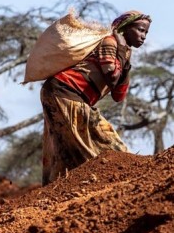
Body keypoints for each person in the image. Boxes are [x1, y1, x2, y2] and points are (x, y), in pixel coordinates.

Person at [40, 10, 152, 186]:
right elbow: (111, 78)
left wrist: (126, 64)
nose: (143, 36)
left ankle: (61, 187)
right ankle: (117, 180)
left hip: (61, 93)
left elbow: (118, 95)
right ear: (124, 28)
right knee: (105, 140)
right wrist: (122, 52)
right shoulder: (110, 43)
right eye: (140, 30)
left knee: (67, 147)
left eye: (146, 32)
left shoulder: (123, 53)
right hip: (64, 91)